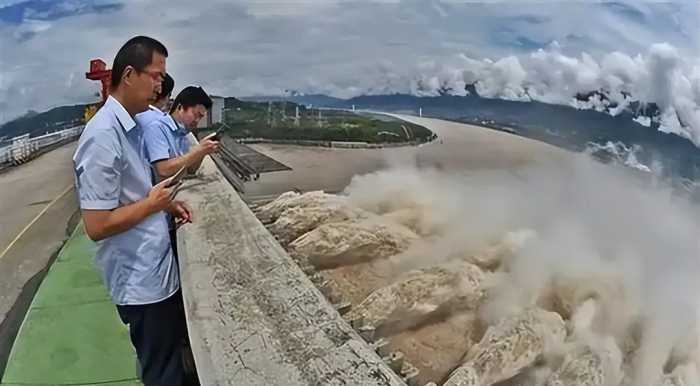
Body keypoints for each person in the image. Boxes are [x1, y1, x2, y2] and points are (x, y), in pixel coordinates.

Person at [72, 36, 192, 386]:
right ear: (129, 74)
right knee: (162, 370)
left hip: (154, 269)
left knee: (167, 356)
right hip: (140, 281)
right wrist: (153, 204)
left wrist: (165, 205)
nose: (160, 84)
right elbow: (96, 224)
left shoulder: (134, 124)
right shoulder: (102, 137)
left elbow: (134, 192)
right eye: (155, 75)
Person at [142, 86, 219, 181]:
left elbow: (191, 170)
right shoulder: (157, 128)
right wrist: (198, 151)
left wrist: (202, 152)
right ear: (180, 107)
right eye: (196, 114)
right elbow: (163, 170)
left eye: (201, 117)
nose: (197, 121)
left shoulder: (183, 133)